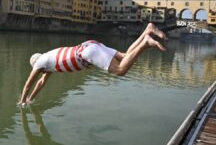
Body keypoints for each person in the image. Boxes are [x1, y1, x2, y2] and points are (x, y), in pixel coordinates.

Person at [18, 23, 167, 105]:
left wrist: (22, 100)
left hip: (87, 53)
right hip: (89, 44)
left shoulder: (40, 63)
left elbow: (28, 84)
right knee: (124, 56)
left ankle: (146, 43)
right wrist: (31, 99)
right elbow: (41, 83)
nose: (39, 73)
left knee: (121, 70)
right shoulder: (49, 60)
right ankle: (147, 31)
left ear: (36, 64)